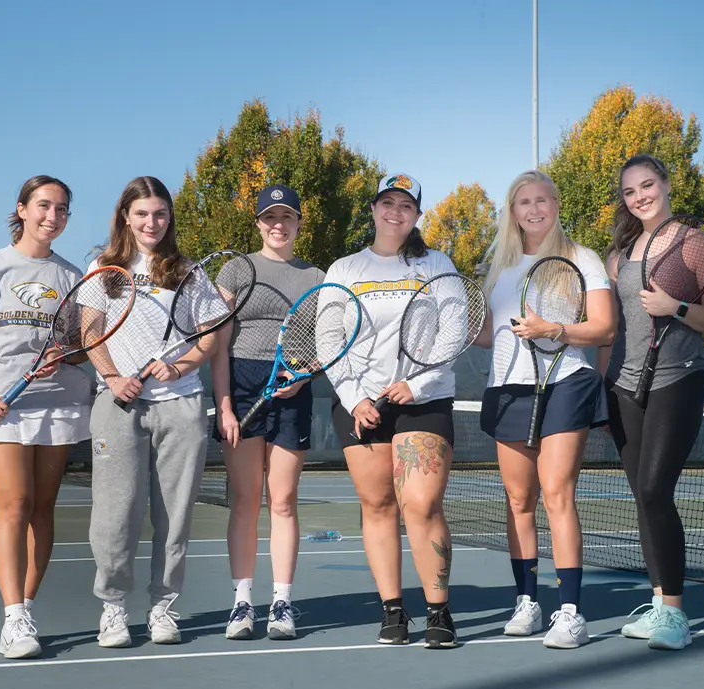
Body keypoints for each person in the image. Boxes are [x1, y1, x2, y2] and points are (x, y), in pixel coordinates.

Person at [0, 175, 91, 659]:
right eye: (45, 206)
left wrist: (67, 355)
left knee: (42, 509)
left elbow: (81, 348)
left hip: (61, 403)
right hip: (2, 409)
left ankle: (26, 608)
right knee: (15, 504)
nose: (54, 216)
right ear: (23, 209)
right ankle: (12, 618)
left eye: (63, 209)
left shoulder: (73, 278)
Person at [474, 170, 615, 649]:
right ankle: (527, 603)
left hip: (566, 384)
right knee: (518, 502)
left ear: (556, 203)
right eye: (522, 202)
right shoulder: (498, 264)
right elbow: (493, 333)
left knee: (557, 492)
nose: (533, 210)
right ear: (511, 211)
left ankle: (570, 612)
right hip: (507, 388)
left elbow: (604, 328)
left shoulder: (582, 258)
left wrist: (553, 329)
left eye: (541, 200)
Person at [598, 154, 704, 651]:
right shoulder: (618, 255)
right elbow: (611, 334)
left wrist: (674, 307)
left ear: (666, 184)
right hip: (623, 388)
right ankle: (659, 606)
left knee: (655, 490)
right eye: (630, 191)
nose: (639, 197)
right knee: (643, 497)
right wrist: (601, 385)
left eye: (647, 185)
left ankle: (674, 616)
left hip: (678, 379)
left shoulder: (696, 242)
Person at [324, 173, 460, 649]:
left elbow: (453, 333)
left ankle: (439, 611)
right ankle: (393, 611)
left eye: (405, 204)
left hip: (425, 401)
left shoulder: (438, 264)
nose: (395, 211)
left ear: (417, 215)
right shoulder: (344, 269)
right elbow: (329, 340)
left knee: (421, 504)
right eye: (387, 202)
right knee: (378, 506)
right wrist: (354, 399)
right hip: (361, 405)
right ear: (374, 209)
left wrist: (416, 384)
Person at [85, 176, 219, 648]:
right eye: (142, 213)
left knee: (174, 516)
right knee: (115, 514)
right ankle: (114, 609)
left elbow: (207, 340)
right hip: (118, 404)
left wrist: (179, 364)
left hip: (180, 406)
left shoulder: (189, 271)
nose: (151, 222)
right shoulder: (103, 267)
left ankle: (163, 607)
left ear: (169, 218)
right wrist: (111, 377)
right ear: (126, 215)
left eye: (160, 214)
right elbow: (90, 332)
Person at [211, 184, 325, 641]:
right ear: (258, 223)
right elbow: (218, 345)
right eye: (270, 217)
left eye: (287, 217)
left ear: (299, 222)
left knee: (282, 501)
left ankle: (281, 602)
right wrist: (223, 404)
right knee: (245, 501)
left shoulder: (315, 276)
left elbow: (326, 342)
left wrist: (305, 374)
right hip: (241, 386)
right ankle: (242, 605)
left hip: (291, 388)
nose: (278, 225)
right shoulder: (236, 269)